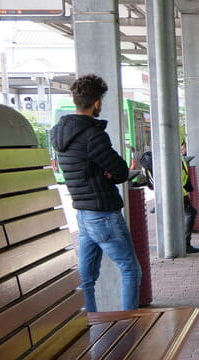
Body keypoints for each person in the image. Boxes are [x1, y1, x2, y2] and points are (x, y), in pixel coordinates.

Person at [49, 73, 141, 311]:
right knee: (130, 269)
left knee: (86, 277)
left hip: (83, 213)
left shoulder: (59, 134)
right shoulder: (92, 135)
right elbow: (121, 171)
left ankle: (88, 321)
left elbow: (85, 169)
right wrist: (107, 173)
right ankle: (129, 321)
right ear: (97, 103)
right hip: (103, 214)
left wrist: (104, 171)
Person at [180, 141, 199, 254]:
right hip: (178, 192)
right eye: (180, 147)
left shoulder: (180, 159)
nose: (182, 150)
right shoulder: (176, 159)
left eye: (183, 148)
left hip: (181, 192)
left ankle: (184, 242)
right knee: (190, 213)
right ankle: (185, 243)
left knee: (189, 213)